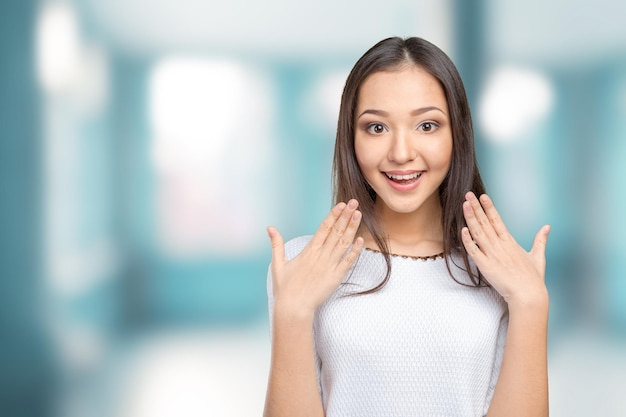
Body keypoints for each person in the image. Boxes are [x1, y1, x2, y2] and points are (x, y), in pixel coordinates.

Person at [263, 37, 550, 417]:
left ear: (457, 135)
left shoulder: (501, 272)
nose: (401, 153)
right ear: (351, 139)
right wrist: (292, 313)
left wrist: (531, 303)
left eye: (427, 125)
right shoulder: (302, 264)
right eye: (376, 128)